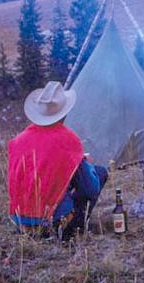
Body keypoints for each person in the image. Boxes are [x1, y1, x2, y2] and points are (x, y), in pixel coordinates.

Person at [7, 80, 108, 241]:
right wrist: (84, 163)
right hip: (55, 226)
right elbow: (91, 189)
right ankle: (74, 229)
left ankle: (37, 227)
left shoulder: (18, 140)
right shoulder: (68, 139)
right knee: (100, 173)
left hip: (21, 225)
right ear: (64, 112)